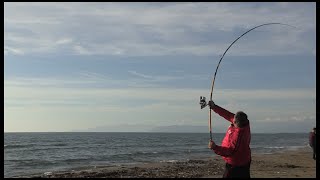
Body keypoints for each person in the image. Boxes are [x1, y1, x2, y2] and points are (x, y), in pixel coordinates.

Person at [207, 100, 251, 178]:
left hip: (236, 164)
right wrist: (214, 107)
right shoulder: (245, 123)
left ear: (236, 122)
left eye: (233, 120)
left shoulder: (237, 137)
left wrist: (215, 147)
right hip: (245, 159)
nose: (232, 119)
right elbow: (228, 115)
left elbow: (229, 152)